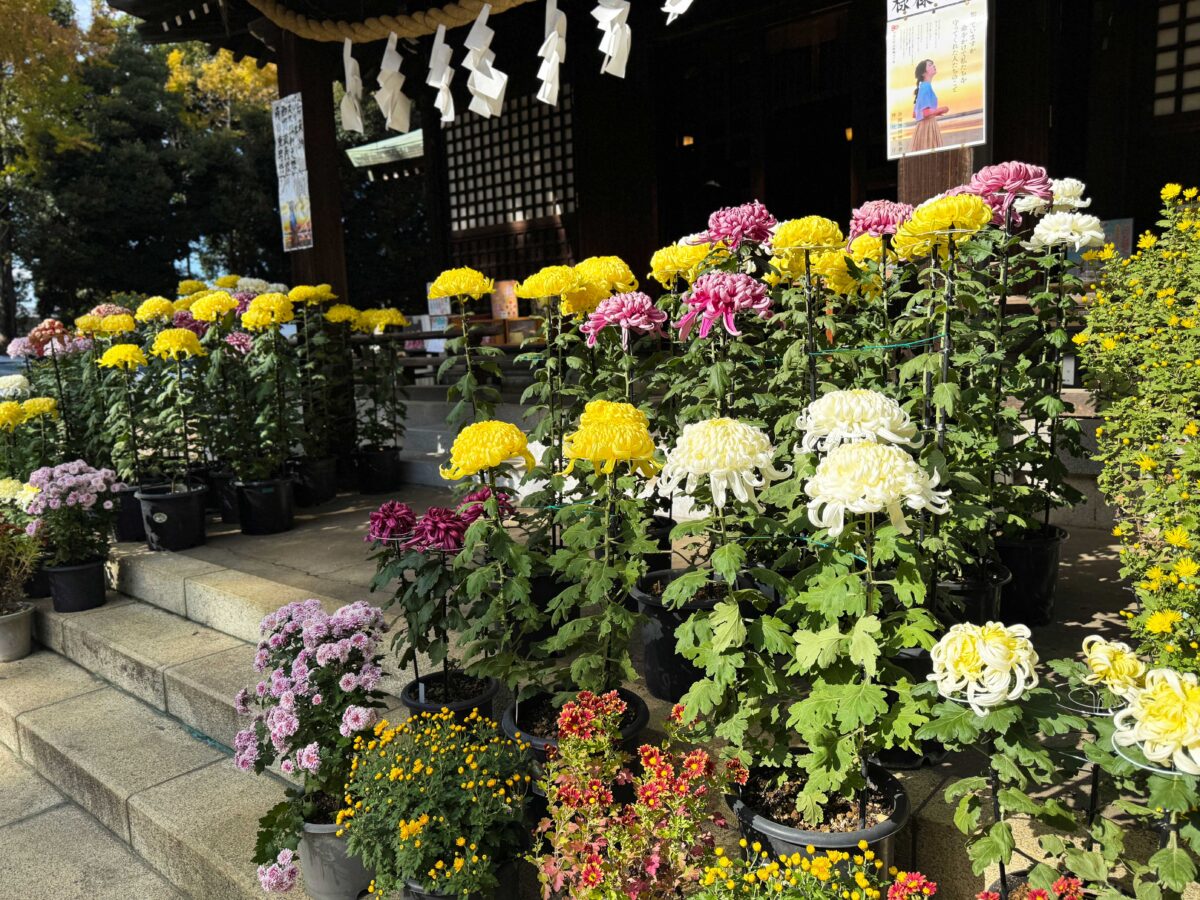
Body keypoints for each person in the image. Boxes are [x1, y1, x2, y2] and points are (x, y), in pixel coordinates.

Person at [911, 59, 949, 153]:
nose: (933, 65)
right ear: (924, 73)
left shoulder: (923, 87)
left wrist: (935, 113)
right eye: (930, 65)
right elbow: (925, 112)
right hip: (928, 128)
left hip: (922, 128)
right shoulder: (926, 87)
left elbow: (915, 114)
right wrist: (941, 109)